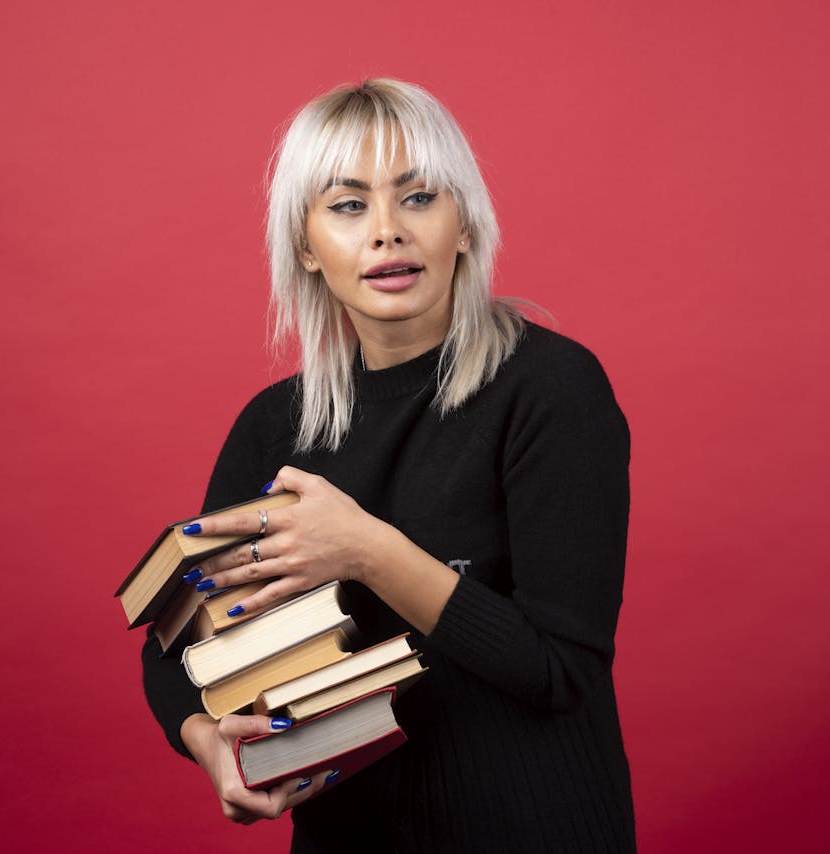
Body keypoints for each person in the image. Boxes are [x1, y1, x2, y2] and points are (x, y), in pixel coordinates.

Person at [141, 78, 635, 853]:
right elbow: (182, 645)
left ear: (463, 224)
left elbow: (559, 671)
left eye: (419, 198)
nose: (386, 233)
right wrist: (206, 739)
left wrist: (368, 551)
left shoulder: (551, 389)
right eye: (346, 205)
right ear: (306, 245)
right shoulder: (275, 427)